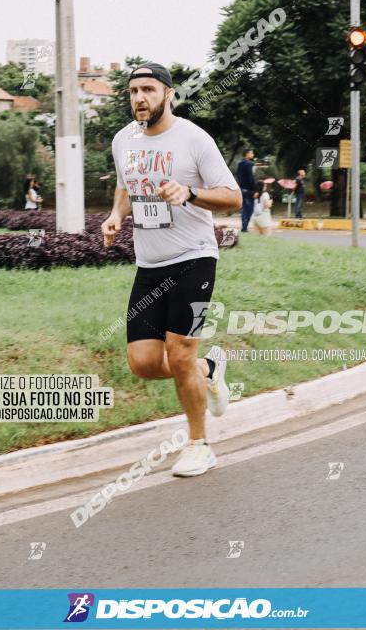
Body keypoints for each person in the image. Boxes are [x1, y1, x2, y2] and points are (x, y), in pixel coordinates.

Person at [101, 62, 242, 477]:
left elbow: (233, 198)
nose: (139, 98)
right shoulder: (123, 141)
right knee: (143, 362)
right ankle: (209, 372)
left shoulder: (194, 139)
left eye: (147, 89)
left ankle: (200, 445)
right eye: (132, 91)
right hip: (149, 263)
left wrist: (191, 193)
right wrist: (115, 215)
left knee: (180, 354)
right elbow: (126, 186)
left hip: (194, 258)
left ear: (168, 94)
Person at [236, 148, 256, 232]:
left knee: (244, 208)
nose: (253, 155)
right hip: (249, 190)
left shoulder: (240, 163)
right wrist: (255, 189)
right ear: (247, 154)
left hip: (241, 189)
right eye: (251, 153)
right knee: (250, 209)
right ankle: (245, 227)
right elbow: (250, 178)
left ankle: (244, 227)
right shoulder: (249, 164)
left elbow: (238, 176)